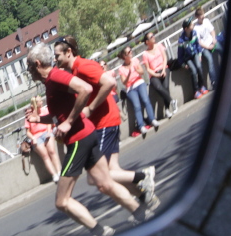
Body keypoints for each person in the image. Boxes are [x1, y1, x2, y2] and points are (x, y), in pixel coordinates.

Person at [26, 43, 153, 236]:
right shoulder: (51, 82)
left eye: (29, 67)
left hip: (78, 139)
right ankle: (142, 213)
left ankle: (100, 232)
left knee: (62, 201)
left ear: (37, 63)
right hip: (87, 133)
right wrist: (38, 119)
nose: (29, 72)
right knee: (104, 183)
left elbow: (85, 89)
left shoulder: (55, 76)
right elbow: (59, 115)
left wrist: (69, 122)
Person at [54, 36, 158, 209]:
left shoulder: (83, 66)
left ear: (68, 52)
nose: (55, 59)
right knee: (112, 171)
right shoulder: (75, 71)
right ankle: (146, 197)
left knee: (96, 177)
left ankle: (143, 176)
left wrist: (90, 108)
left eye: (57, 55)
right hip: (105, 122)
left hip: (104, 122)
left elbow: (109, 82)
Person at [118, 46, 160, 136]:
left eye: (131, 50)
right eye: (129, 52)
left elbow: (142, 72)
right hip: (130, 88)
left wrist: (137, 70)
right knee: (137, 106)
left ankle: (152, 119)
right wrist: (129, 74)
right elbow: (124, 82)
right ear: (125, 56)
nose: (131, 52)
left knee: (145, 100)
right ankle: (141, 126)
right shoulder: (121, 69)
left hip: (139, 83)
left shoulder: (135, 61)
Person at [23, 96, 61, 183]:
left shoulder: (45, 110)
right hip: (36, 136)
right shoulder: (29, 115)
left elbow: (50, 122)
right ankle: (54, 175)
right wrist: (33, 138)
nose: (42, 102)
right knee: (45, 156)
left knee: (52, 151)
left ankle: (59, 172)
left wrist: (48, 132)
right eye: (40, 101)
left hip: (46, 132)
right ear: (35, 104)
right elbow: (28, 132)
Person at [142, 31, 178, 118]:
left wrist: (163, 70)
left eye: (153, 35)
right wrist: (156, 75)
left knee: (166, 87)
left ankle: (167, 109)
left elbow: (165, 58)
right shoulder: (145, 54)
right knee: (158, 87)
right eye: (151, 37)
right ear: (147, 42)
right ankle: (172, 101)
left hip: (164, 68)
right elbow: (148, 69)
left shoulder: (159, 46)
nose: (153, 37)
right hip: (154, 73)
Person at [178, 17, 207, 99]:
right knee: (193, 71)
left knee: (199, 67)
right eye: (191, 24)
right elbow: (180, 55)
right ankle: (196, 91)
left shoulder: (194, 33)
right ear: (186, 29)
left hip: (195, 54)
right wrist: (183, 64)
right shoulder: (181, 41)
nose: (193, 25)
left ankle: (202, 86)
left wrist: (200, 54)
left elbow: (197, 45)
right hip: (187, 58)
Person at [194, 7, 222, 89]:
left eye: (203, 15)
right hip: (204, 47)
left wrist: (213, 39)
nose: (203, 17)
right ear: (197, 17)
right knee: (210, 60)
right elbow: (199, 42)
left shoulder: (206, 21)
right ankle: (214, 81)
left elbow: (212, 31)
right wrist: (208, 47)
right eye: (201, 16)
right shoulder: (196, 28)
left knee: (222, 49)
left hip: (211, 42)